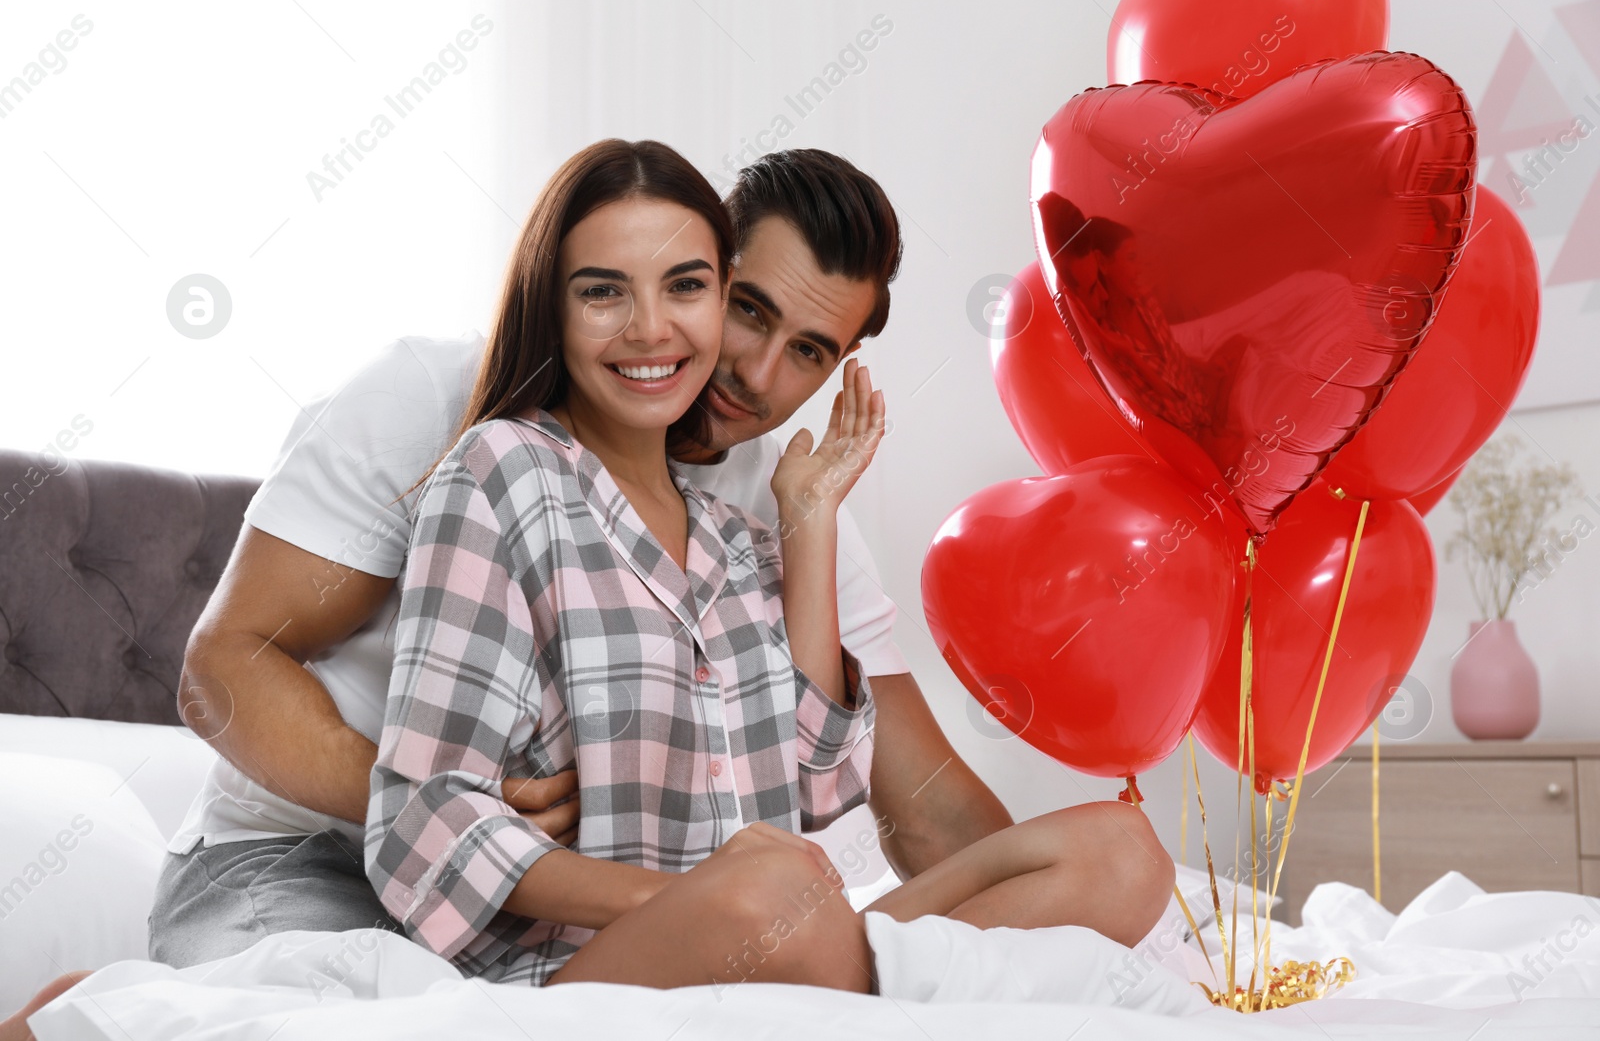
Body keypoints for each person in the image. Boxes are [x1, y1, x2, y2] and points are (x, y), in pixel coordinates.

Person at [3, 143, 1172, 1037]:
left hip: (660, 901)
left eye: (807, 352)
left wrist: (808, 534)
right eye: (748, 308)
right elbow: (224, 673)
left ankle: (784, 963)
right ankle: (126, 1010)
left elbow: (877, 790)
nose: (754, 377)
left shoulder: (762, 505)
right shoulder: (460, 423)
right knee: (362, 1004)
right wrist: (481, 819)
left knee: (1112, 861)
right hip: (312, 854)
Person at [367, 137, 888, 986]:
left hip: (778, 940)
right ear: (556, 307)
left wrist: (811, 518)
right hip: (585, 974)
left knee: (1111, 856)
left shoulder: (741, 536)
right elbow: (422, 820)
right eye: (604, 293)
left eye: (683, 287)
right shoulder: (505, 471)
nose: (650, 328)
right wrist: (695, 903)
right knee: (777, 892)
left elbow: (822, 790)